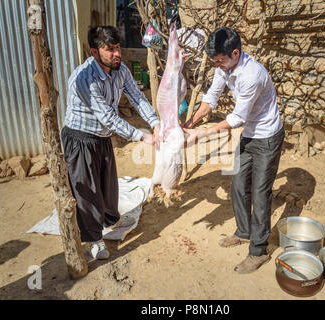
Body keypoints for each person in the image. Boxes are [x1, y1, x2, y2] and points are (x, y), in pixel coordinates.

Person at [182, 27, 284, 274]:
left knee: (260, 193)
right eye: (215, 62)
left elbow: (237, 118)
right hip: (249, 136)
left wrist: (202, 134)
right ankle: (244, 231)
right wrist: (191, 122)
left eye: (220, 61)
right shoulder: (223, 67)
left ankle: (258, 251)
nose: (218, 66)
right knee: (238, 184)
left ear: (235, 53)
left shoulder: (252, 75)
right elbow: (211, 98)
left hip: (267, 137)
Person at [61, 26, 161, 260]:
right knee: (88, 191)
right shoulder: (84, 78)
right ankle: (93, 239)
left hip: (103, 136)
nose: (117, 54)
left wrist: (155, 122)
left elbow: (137, 96)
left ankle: (109, 220)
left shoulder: (120, 69)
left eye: (117, 48)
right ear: (95, 52)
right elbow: (107, 116)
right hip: (80, 138)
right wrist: (142, 136)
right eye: (110, 50)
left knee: (108, 186)